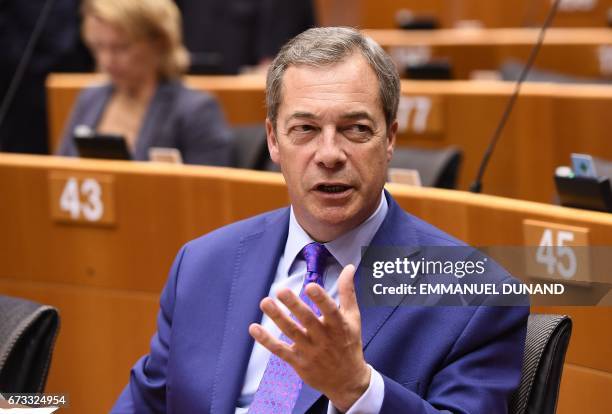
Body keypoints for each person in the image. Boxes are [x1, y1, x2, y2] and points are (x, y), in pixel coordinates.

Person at [112, 27, 528, 413]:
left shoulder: (475, 296)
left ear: (391, 140)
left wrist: (356, 388)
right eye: (306, 128)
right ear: (274, 140)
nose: (329, 154)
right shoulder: (203, 264)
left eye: (356, 129)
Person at [57, 0, 232, 166]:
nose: (107, 60)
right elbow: (59, 173)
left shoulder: (196, 110)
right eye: (98, 47)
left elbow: (209, 192)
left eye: (121, 47)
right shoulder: (90, 98)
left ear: (159, 43)